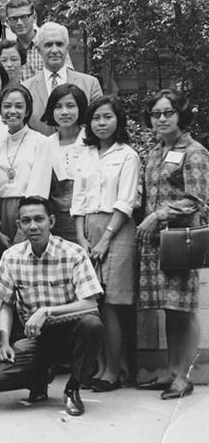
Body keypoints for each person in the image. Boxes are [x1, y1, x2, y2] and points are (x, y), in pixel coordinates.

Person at [0, 196, 104, 417]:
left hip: (71, 332)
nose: (33, 226)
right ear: (19, 225)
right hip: (36, 338)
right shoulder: (11, 257)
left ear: (51, 221)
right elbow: (5, 304)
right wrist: (4, 343)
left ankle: (73, 388)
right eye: (26, 221)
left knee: (92, 325)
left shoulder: (73, 253)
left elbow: (91, 304)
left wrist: (47, 311)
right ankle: (40, 377)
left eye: (39, 219)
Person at [135, 89, 208, 399]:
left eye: (168, 112)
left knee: (185, 308)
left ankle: (185, 375)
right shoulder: (154, 152)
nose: (162, 119)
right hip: (156, 243)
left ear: (181, 114)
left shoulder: (194, 151)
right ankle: (171, 369)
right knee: (169, 308)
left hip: (180, 240)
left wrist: (159, 215)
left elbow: (197, 199)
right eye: (156, 114)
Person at [71, 96, 140, 392]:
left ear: (118, 120)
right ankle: (99, 367)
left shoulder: (128, 155)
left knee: (110, 303)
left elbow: (126, 202)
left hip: (117, 229)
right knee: (92, 301)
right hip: (88, 228)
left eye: (107, 117)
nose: (101, 123)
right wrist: (82, 238)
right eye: (96, 118)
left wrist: (106, 239)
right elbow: (78, 200)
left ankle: (114, 370)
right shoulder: (84, 153)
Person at [0, 85, 52, 243]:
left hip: (29, 211)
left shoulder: (41, 142)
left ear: (27, 111)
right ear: (0, 111)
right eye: (7, 106)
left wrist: (24, 226)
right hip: (2, 211)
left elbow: (39, 187)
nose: (12, 111)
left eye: (19, 106)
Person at [22, 22, 103, 135]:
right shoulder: (26, 88)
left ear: (67, 48)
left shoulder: (90, 84)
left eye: (59, 44)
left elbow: (98, 121)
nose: (54, 50)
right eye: (48, 45)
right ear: (39, 50)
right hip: (40, 151)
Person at [41, 84, 89, 243]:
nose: (64, 112)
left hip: (88, 221)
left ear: (80, 108)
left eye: (70, 106)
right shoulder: (46, 144)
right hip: (57, 223)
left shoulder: (92, 141)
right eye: (58, 106)